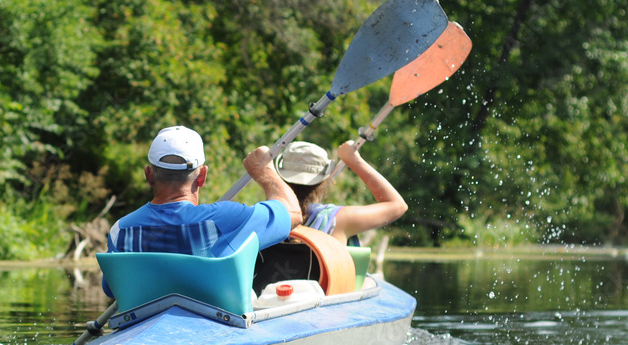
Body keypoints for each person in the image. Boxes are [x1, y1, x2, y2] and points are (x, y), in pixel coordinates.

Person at [103, 125, 302, 299]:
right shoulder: (227, 219)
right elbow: (293, 213)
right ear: (202, 176)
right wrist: (263, 170)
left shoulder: (120, 231)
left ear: (149, 175)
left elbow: (111, 289)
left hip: (143, 330)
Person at [274, 140, 408, 246]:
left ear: (280, 177)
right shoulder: (338, 219)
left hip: (277, 281)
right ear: (326, 180)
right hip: (325, 281)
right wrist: (354, 160)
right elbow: (398, 205)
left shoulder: (268, 215)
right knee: (369, 282)